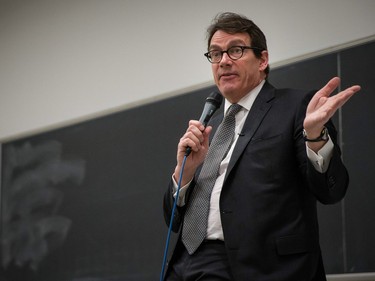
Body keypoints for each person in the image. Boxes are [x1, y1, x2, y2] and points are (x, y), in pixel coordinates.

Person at [163, 12, 360, 281]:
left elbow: (331, 191)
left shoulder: (296, 108)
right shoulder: (211, 128)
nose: (224, 61)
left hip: (259, 265)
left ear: (263, 60)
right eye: (216, 53)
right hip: (184, 262)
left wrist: (315, 136)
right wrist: (183, 173)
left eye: (235, 50)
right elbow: (173, 221)